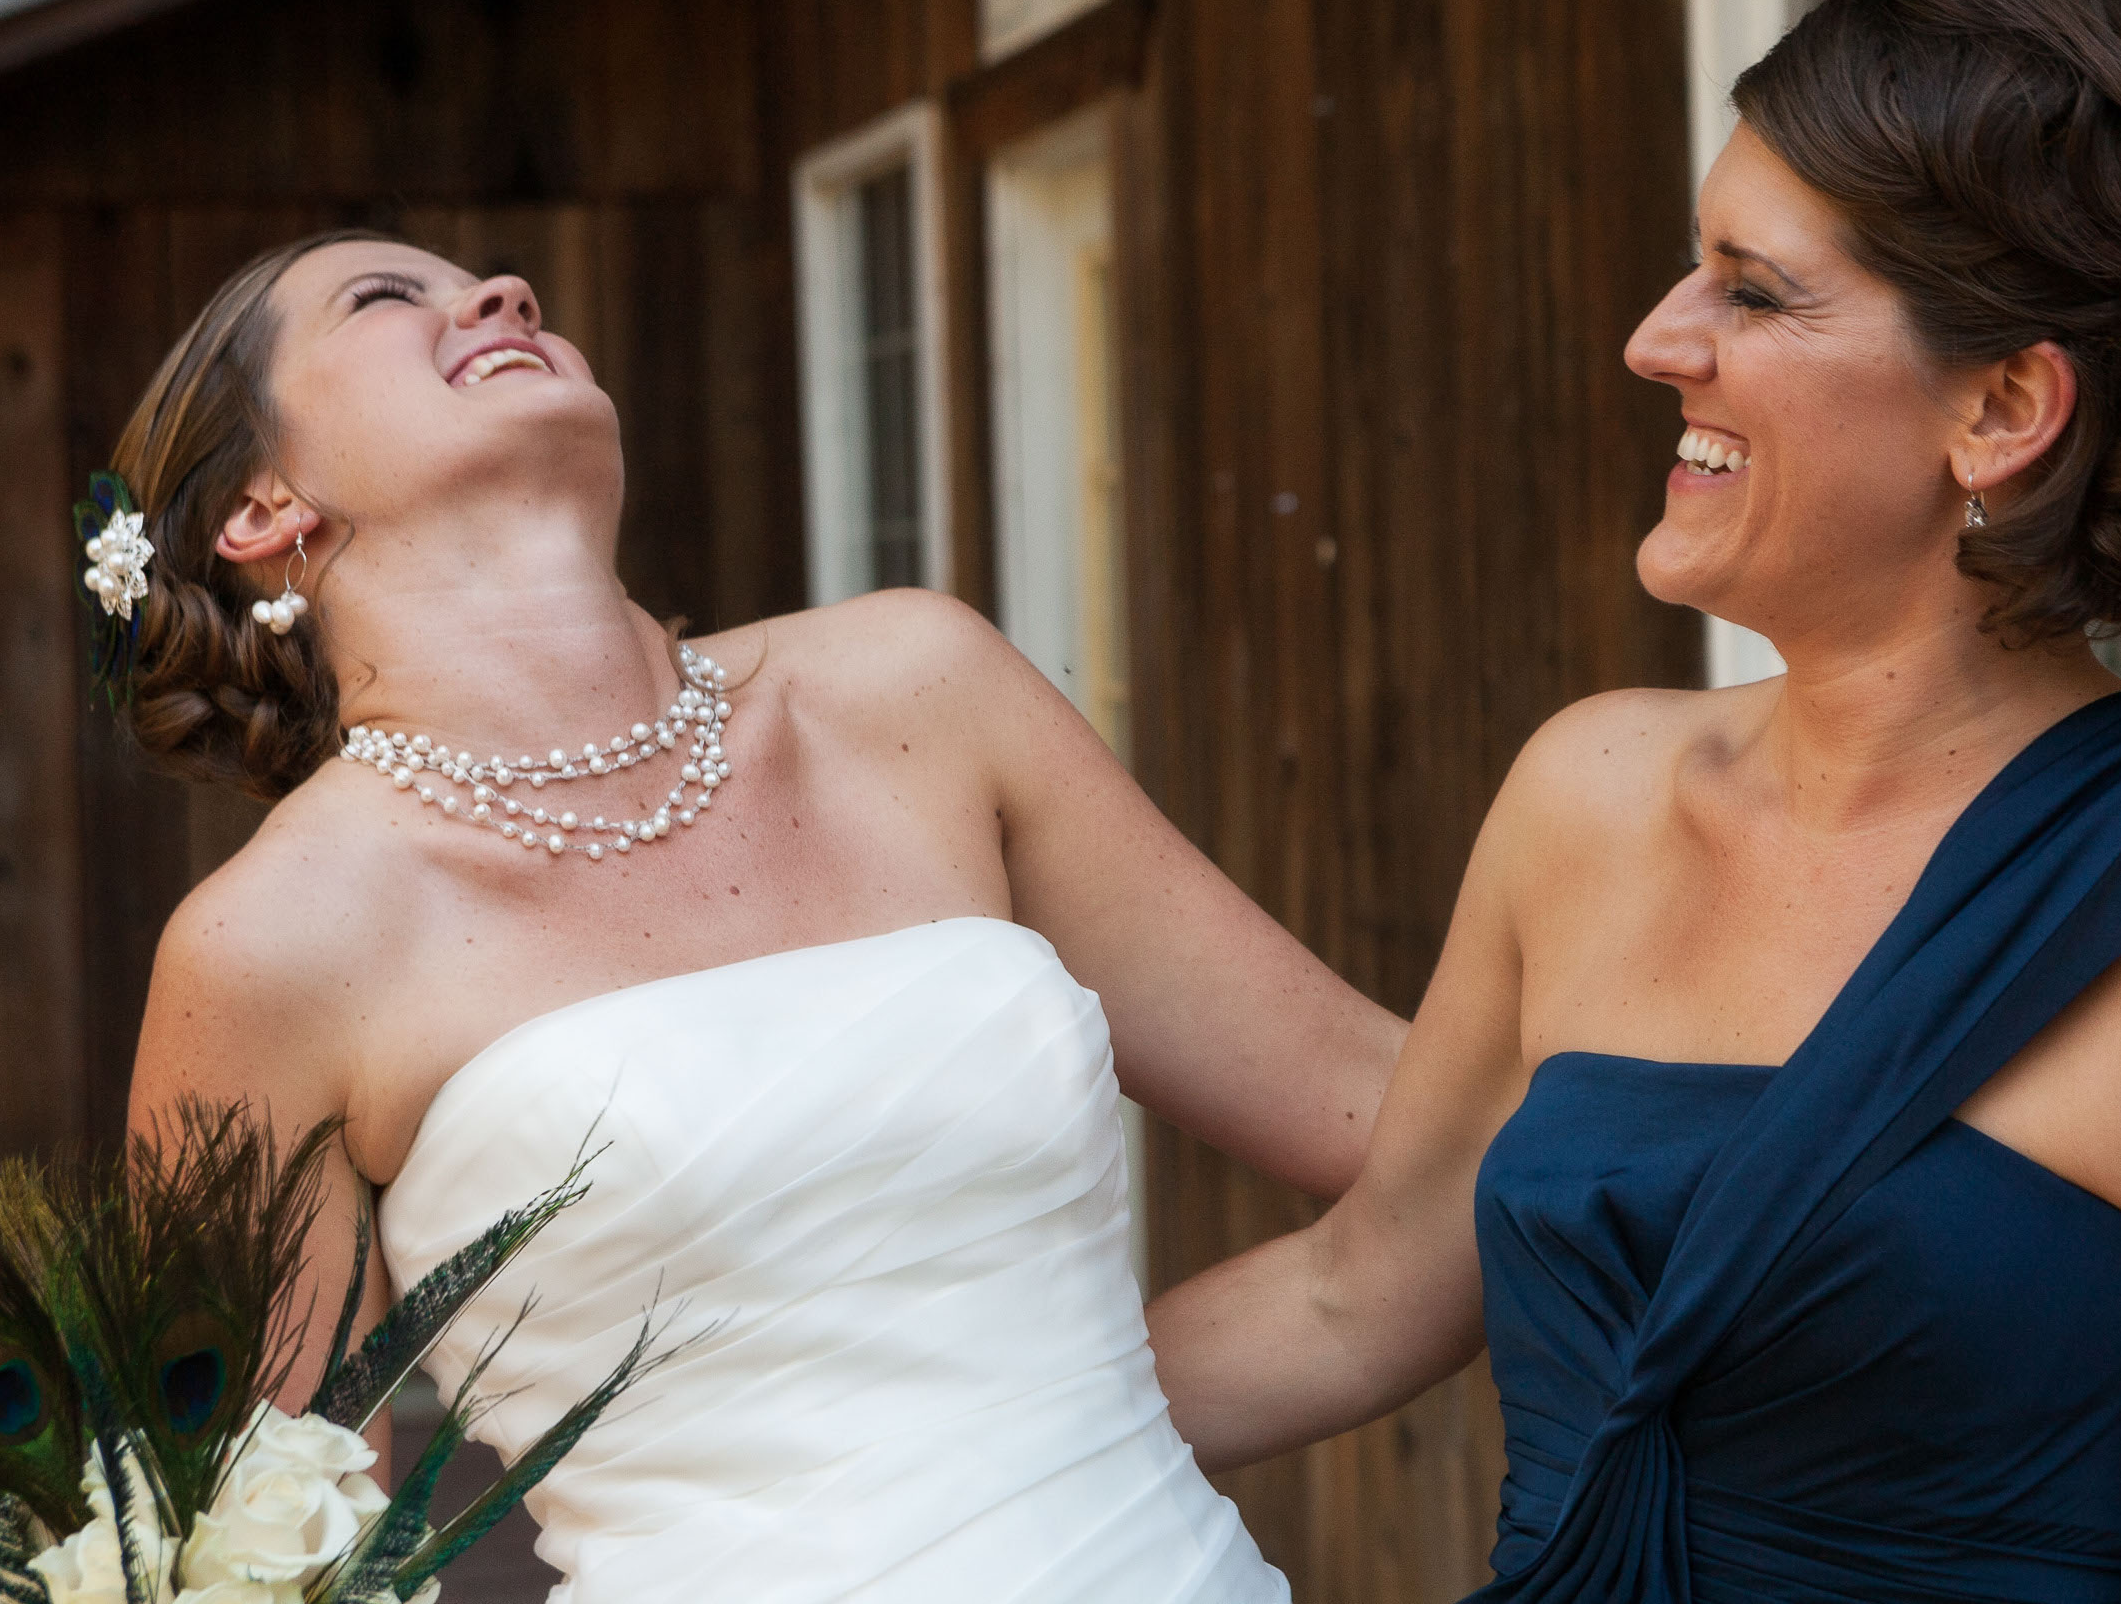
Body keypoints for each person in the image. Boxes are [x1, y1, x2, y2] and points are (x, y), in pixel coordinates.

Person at [1147, 0, 2121, 1602]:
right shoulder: (1590, 795)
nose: (1655, 339)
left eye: (1751, 289)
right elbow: (1355, 1294)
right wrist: (844, 1449)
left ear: (2002, 408)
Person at [113, 230, 1402, 1602]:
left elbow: (1395, 1124)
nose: (503, 295)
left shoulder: (919, 688)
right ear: (260, 507)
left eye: (493, 282)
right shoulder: (273, 945)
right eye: (387, 297)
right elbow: (258, 1559)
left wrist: (1070, 1438)